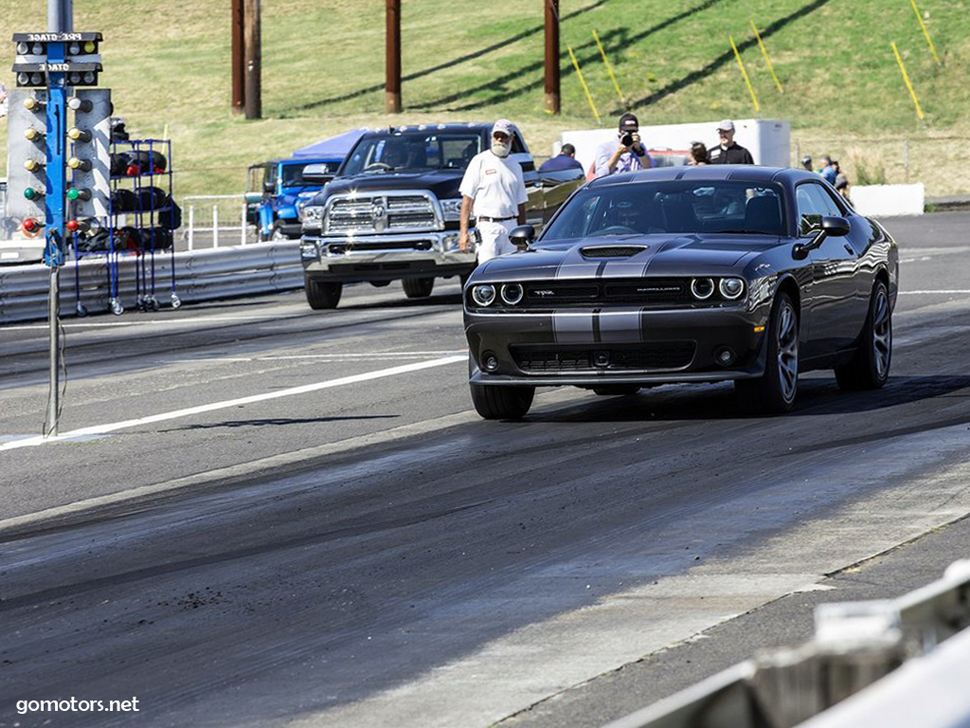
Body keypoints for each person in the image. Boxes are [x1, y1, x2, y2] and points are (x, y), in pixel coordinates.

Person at [459, 119, 528, 263]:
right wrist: (463, 233)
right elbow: (467, 200)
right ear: (491, 137)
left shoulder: (516, 166)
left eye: (504, 136)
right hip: (487, 226)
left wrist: (522, 235)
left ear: (511, 138)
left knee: (511, 271)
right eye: (496, 136)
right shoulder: (480, 161)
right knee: (487, 270)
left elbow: (521, 203)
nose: (500, 140)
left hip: (511, 225)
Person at [593, 112, 653, 178]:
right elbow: (600, 174)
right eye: (626, 132)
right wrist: (618, 153)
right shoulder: (605, 147)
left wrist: (639, 151)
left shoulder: (640, 147)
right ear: (620, 131)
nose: (629, 135)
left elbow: (650, 170)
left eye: (633, 131)